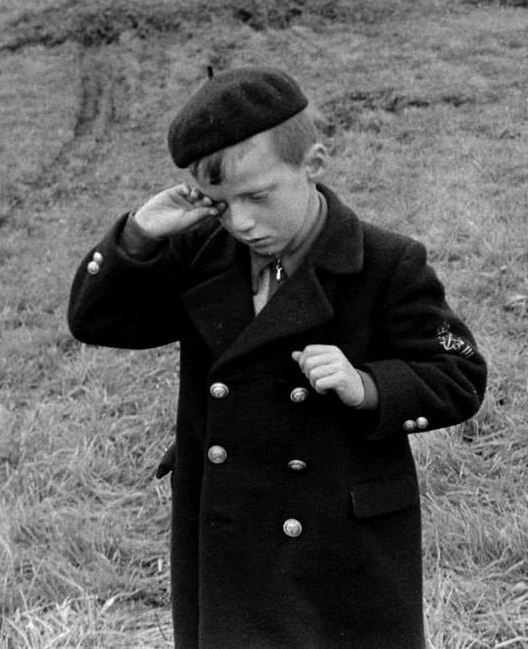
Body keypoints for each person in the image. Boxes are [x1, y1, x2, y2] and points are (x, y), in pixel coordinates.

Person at [67, 66, 487, 649]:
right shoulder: (202, 255)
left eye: (259, 197)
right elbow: (97, 320)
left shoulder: (386, 263)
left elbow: (459, 374)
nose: (242, 223)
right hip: (230, 523)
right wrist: (140, 234)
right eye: (220, 204)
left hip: (340, 535)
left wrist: (366, 385)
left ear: (312, 165)